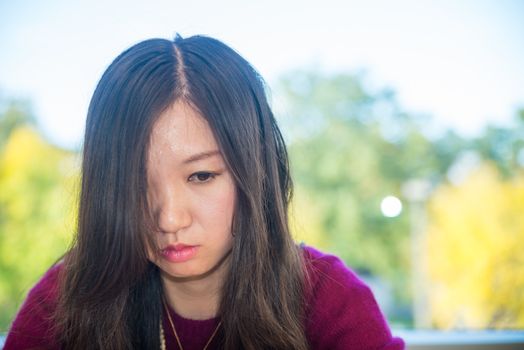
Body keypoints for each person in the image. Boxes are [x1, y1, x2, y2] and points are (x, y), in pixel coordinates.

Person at [4, 34, 405, 350]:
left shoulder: (330, 302)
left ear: (256, 171)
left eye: (200, 176)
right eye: (135, 185)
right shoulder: (67, 301)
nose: (169, 218)